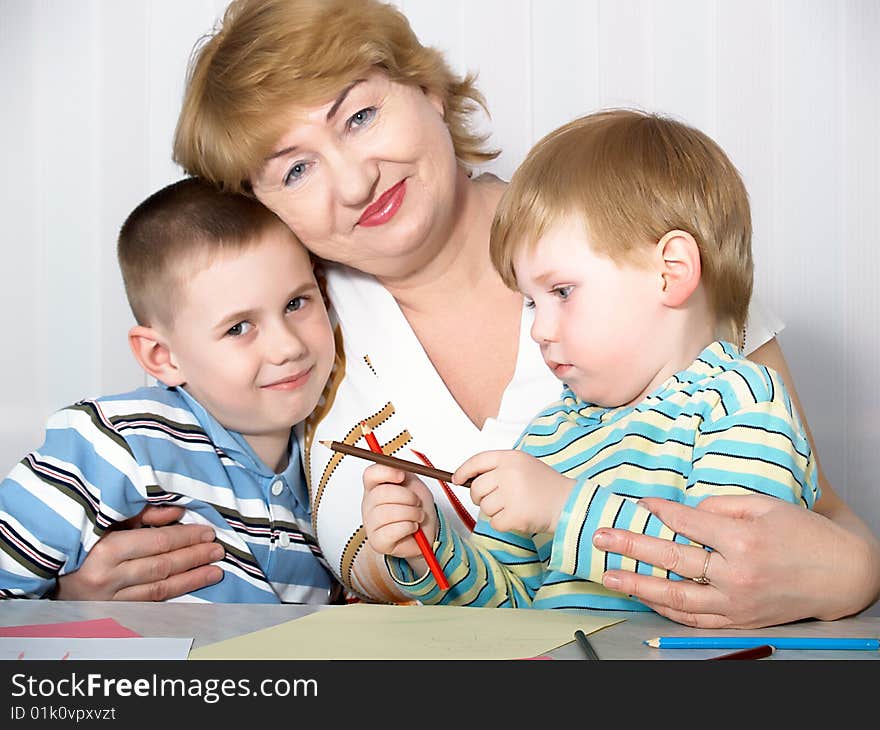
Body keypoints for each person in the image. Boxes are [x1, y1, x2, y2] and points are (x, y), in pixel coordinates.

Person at [59, 0, 880, 627]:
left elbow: (822, 521)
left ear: (426, 87)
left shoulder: (628, 247)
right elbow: (215, 519)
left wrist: (849, 575)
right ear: (261, 206)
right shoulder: (286, 330)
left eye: (360, 116)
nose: (354, 182)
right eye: (295, 169)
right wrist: (83, 595)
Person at [361, 108, 820, 609]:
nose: (537, 328)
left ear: (670, 273)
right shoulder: (547, 436)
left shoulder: (739, 402)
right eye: (532, 302)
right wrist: (431, 549)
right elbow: (510, 611)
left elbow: (726, 578)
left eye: (562, 291)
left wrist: (561, 509)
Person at [0, 177, 340, 603]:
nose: (288, 346)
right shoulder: (119, 444)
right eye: (238, 327)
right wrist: (65, 607)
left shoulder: (333, 459)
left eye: (296, 303)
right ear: (163, 357)